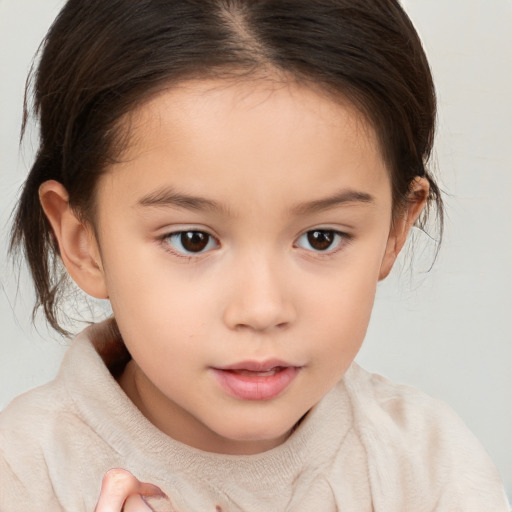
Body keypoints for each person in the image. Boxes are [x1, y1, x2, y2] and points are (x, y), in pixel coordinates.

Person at [0, 0, 509, 510]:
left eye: (321, 238)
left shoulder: (427, 464)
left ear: (395, 229)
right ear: (81, 240)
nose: (262, 309)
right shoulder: (21, 474)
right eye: (192, 239)